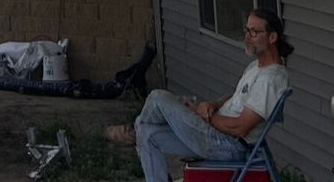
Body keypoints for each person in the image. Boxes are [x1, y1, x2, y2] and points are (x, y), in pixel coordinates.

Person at [115, 9, 291, 180]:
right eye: (246, 30)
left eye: (254, 32)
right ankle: (137, 131)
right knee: (146, 132)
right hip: (214, 133)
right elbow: (237, 96)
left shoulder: (271, 79)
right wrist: (213, 105)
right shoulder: (256, 67)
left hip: (228, 144)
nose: (247, 37)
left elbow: (240, 128)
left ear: (272, 37)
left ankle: (132, 129)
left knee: (157, 97)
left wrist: (205, 117)